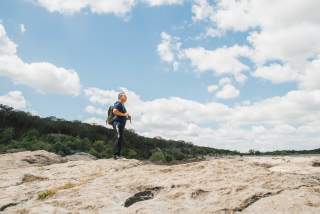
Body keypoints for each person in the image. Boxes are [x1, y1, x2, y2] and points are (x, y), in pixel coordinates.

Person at [112, 92, 131, 160]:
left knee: (120, 138)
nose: (126, 97)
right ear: (120, 97)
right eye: (124, 96)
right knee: (118, 137)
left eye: (126, 96)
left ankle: (119, 155)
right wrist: (124, 114)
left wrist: (127, 116)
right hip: (117, 123)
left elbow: (123, 114)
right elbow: (114, 111)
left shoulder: (122, 105)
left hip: (121, 124)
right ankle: (116, 155)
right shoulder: (118, 103)